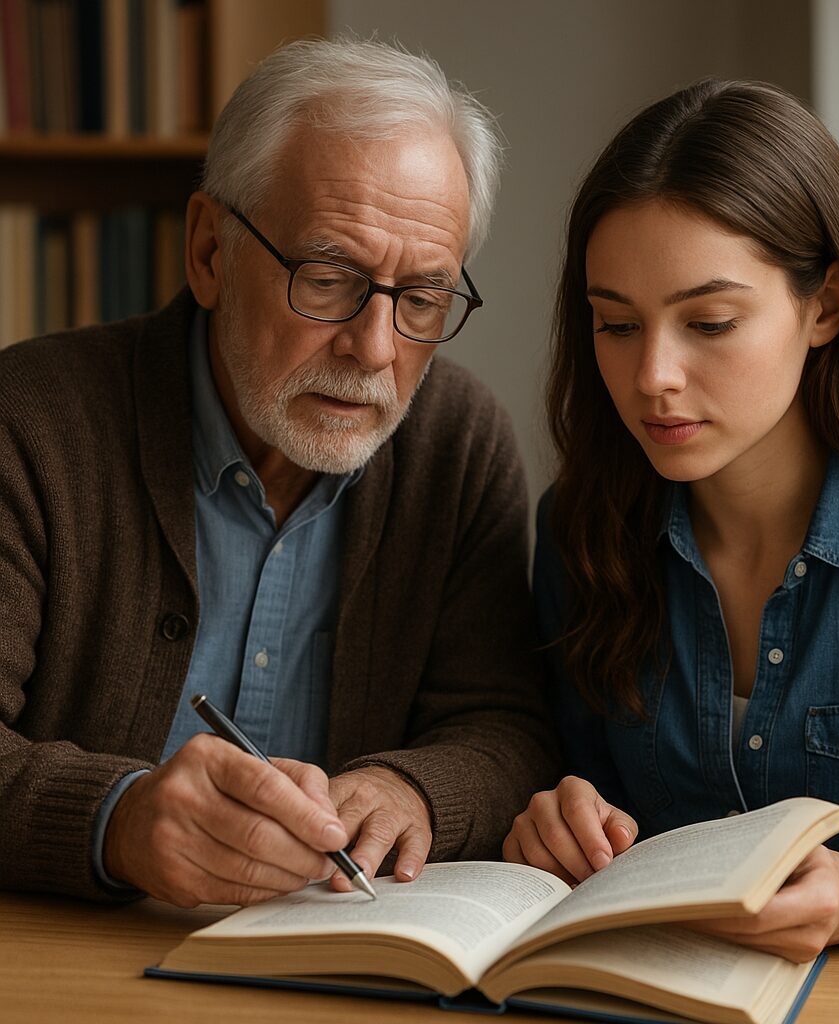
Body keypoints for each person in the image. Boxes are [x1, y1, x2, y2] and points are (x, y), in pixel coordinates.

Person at [503, 78, 839, 1016]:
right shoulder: (580, 532)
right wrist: (559, 817)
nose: (652, 376)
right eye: (617, 325)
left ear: (825, 307)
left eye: (709, 323)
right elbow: (586, 803)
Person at [0, 37, 555, 907]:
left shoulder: (457, 442)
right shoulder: (28, 422)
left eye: (421, 299)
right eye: (329, 277)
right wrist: (118, 817)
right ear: (210, 253)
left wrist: (415, 787)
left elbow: (505, 727)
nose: (374, 349)